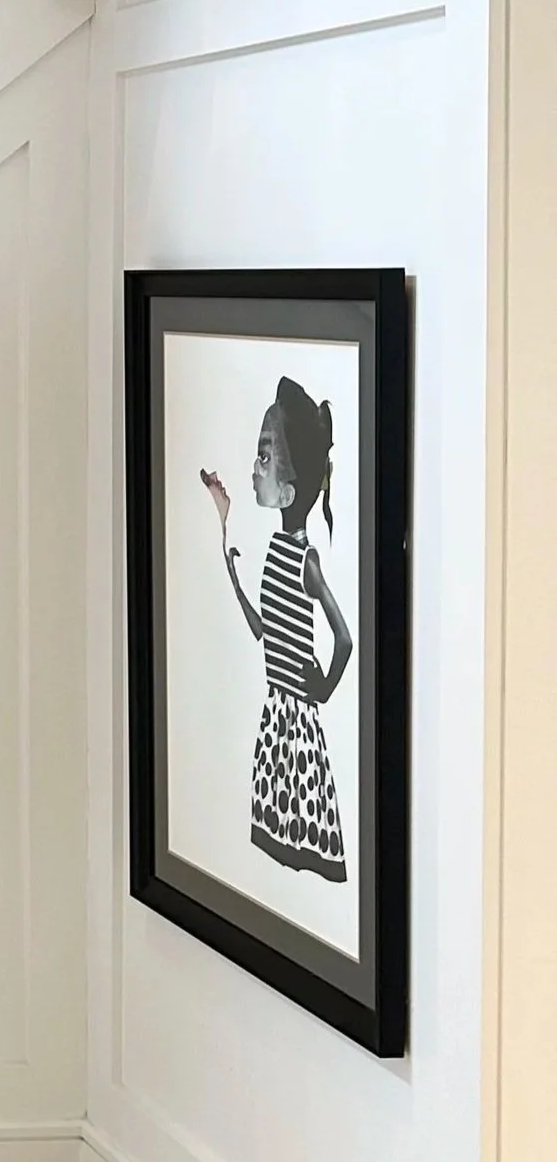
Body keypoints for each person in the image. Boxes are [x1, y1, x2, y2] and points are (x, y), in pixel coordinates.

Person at [200, 377, 352, 882]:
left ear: (287, 490)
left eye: (264, 458)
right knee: (276, 841)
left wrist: (324, 690)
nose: (253, 468)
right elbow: (265, 631)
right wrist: (231, 570)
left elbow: (344, 638)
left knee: (304, 834)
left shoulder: (305, 560)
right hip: (275, 717)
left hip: (298, 720)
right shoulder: (272, 551)